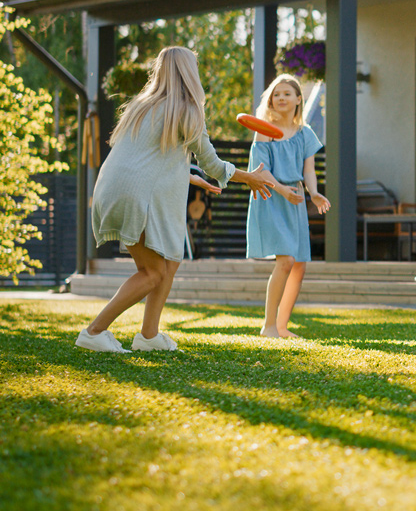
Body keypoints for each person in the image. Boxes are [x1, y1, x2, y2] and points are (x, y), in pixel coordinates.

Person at [76, 46, 274, 353]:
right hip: (136, 195)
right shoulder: (187, 110)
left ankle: (149, 336)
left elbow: (152, 157)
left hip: (112, 188)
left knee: (170, 261)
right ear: (189, 73)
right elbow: (214, 165)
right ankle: (94, 331)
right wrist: (250, 177)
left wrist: (189, 175)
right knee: (153, 272)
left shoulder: (141, 106)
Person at [246, 74, 330, 338]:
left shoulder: (305, 133)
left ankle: (281, 327)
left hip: (294, 200)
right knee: (286, 261)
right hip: (271, 197)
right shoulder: (264, 131)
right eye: (276, 94)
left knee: (299, 265)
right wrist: (282, 189)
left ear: (297, 99)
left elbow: (309, 170)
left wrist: (313, 193)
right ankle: (268, 326)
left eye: (286, 93)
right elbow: (261, 170)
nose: (280, 98)